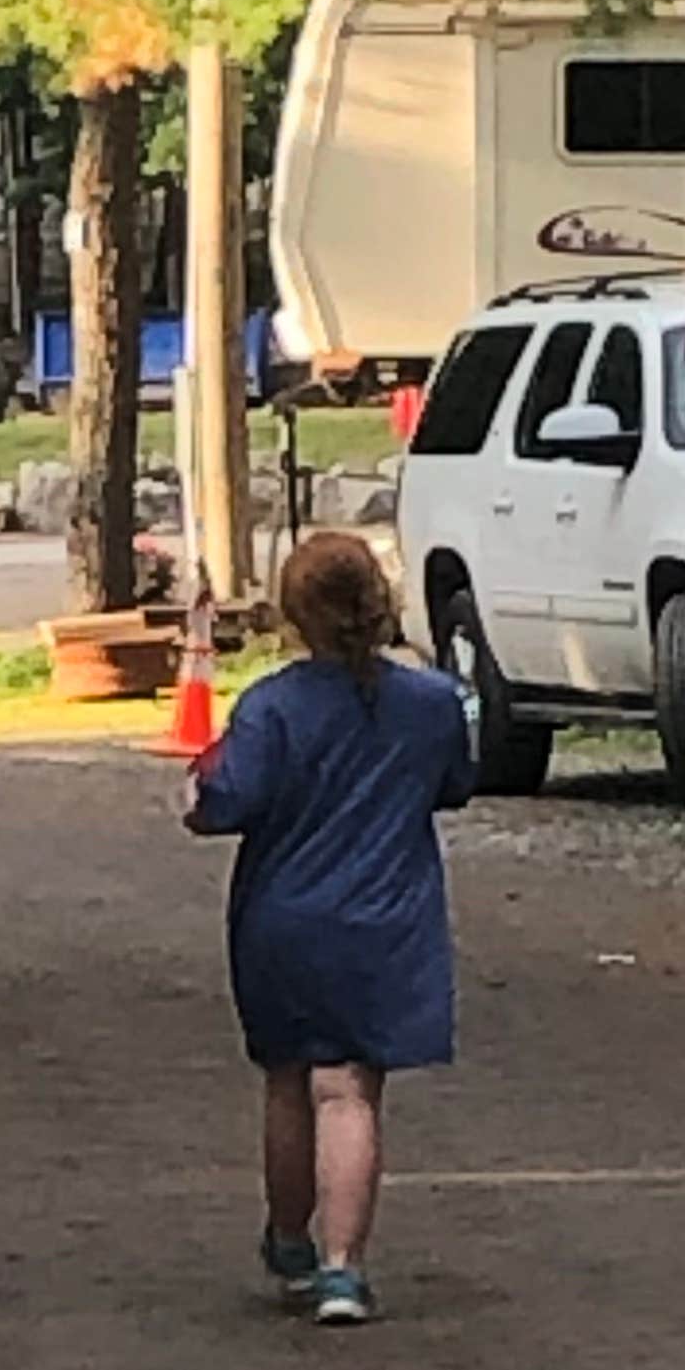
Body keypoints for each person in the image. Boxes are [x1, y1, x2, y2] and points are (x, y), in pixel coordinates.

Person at [183, 531, 477, 1327]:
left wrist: (198, 782)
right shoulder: (431, 703)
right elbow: (454, 786)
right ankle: (346, 1269)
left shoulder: (271, 706)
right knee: (351, 1091)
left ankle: (290, 1239)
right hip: (387, 917)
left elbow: (222, 807)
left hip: (285, 919)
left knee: (289, 1081)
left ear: (293, 612)